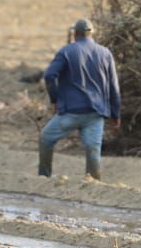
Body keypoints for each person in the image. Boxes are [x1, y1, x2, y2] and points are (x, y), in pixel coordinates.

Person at [39, 18, 121, 180]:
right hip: (95, 113)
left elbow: (49, 75)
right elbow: (114, 87)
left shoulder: (66, 51)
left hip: (70, 112)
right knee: (93, 148)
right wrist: (115, 115)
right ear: (92, 34)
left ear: (75, 34)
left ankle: (44, 177)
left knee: (46, 138)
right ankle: (93, 183)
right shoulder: (105, 53)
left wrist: (54, 100)